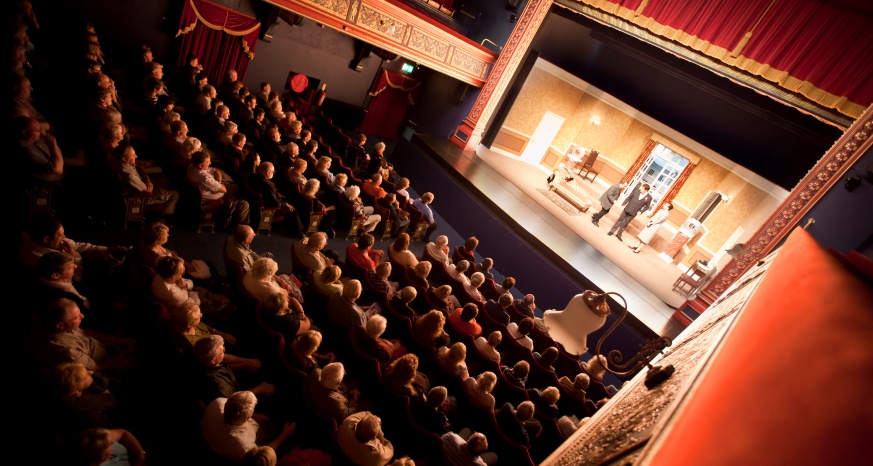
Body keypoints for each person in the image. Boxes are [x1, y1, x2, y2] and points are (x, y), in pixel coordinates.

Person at [30, 298, 137, 374]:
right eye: (77, 317)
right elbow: (97, 369)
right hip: (105, 363)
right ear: (60, 325)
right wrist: (125, 352)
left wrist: (115, 340)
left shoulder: (57, 324)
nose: (82, 316)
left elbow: (84, 332)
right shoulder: (68, 351)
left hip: (100, 345)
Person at [201, 391, 296, 461]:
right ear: (247, 419)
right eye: (253, 411)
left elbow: (235, 406)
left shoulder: (218, 402)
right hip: (251, 441)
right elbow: (263, 454)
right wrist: (284, 435)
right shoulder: (243, 447)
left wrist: (254, 415)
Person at [192, 335, 276, 404]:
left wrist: (246, 362)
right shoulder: (218, 382)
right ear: (213, 361)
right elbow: (233, 400)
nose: (224, 351)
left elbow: (225, 359)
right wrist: (259, 389)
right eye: (222, 352)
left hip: (235, 384)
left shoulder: (208, 360)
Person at [187, 151, 250, 229]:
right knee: (236, 187)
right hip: (213, 196)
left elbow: (214, 170)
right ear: (200, 165)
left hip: (208, 189)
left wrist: (218, 180)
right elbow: (223, 190)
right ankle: (232, 210)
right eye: (208, 162)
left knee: (231, 184)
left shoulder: (191, 166)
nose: (210, 163)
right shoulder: (205, 178)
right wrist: (219, 182)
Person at [70, 427, 147, 466]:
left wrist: (141, 454)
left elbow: (123, 433)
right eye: (110, 443)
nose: (113, 442)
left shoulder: (98, 437)